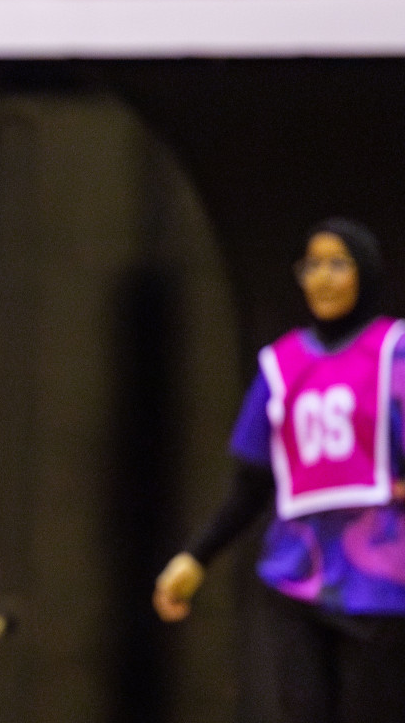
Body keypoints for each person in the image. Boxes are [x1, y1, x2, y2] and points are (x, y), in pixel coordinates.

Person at [153, 218, 405, 723]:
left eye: (338, 263)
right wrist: (196, 556)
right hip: (299, 579)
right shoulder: (282, 365)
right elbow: (253, 481)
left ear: (366, 272)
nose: (323, 278)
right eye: (312, 264)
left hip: (381, 585)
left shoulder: (394, 352)